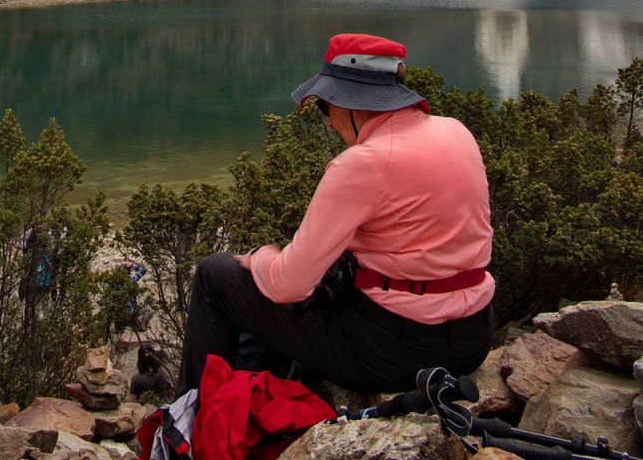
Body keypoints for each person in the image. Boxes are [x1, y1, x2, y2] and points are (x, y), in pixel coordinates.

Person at [176, 34, 495, 395]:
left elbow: (287, 285)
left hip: (399, 353)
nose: (328, 121)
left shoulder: (362, 163)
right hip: (475, 337)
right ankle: (259, 407)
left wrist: (258, 257)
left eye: (326, 106)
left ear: (353, 103)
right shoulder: (457, 131)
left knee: (215, 276)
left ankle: (190, 423)